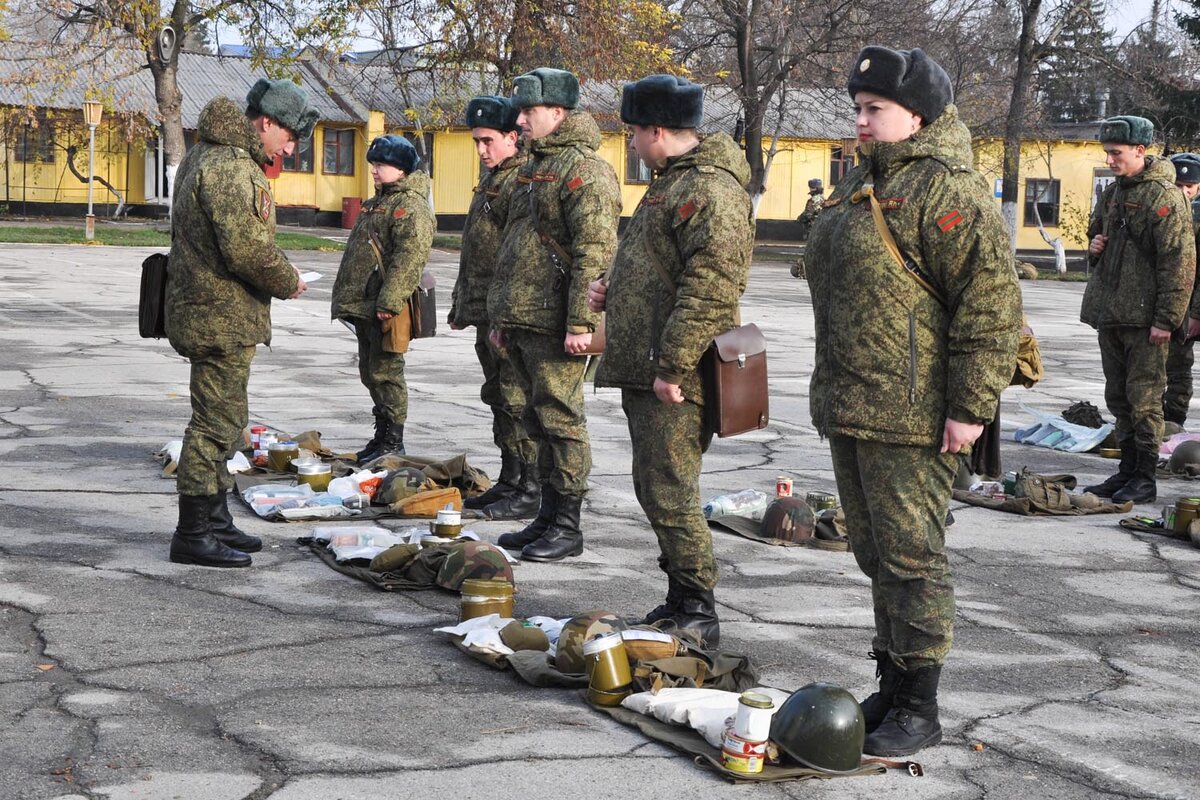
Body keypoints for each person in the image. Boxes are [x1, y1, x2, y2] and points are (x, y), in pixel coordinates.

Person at [805, 47, 1021, 756]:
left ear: (918, 115)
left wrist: (970, 406)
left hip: (918, 414)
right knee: (875, 553)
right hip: (856, 401)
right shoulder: (857, 185)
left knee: (913, 558)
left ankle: (921, 706)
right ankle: (894, 681)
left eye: (875, 110)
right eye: (858, 108)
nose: (860, 121)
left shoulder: (948, 191)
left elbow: (988, 310)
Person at [587, 75, 752, 648]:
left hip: (676, 373)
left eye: (633, 130)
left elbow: (709, 287)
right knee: (657, 485)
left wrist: (673, 367)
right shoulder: (671, 184)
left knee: (671, 486)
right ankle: (682, 597)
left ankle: (698, 608)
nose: (630, 141)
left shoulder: (707, 189)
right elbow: (662, 265)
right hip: (652, 364)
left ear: (658, 129)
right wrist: (615, 286)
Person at [165, 79, 319, 568]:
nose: (290, 148)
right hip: (219, 317)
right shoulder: (232, 166)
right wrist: (288, 279)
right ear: (266, 123)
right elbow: (247, 250)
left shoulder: (205, 153)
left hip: (211, 311)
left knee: (226, 419)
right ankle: (192, 532)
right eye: (290, 137)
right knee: (213, 425)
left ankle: (213, 517)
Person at [488, 68, 621, 562]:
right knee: (537, 419)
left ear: (559, 113)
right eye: (520, 112)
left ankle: (568, 524)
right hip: (523, 316)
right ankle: (545, 515)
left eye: (529, 112)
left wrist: (581, 323)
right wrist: (500, 314)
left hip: (555, 322)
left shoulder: (585, 169)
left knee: (562, 420)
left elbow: (595, 251)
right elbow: (512, 245)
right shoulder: (530, 167)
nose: (520, 120)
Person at [1082, 117, 1197, 504]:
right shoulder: (1113, 193)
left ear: (1140, 151)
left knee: (1145, 399)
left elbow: (1179, 263)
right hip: (1111, 312)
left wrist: (1167, 320)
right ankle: (1126, 470)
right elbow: (1095, 237)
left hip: (1146, 319)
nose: (1110, 159)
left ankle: (1144, 477)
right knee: (1118, 397)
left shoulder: (1164, 197)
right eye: (1107, 153)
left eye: (1116, 153)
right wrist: (1094, 245)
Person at [448, 96, 540, 520]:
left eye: (488, 141)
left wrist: (503, 313)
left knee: (516, 397)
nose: (482, 150)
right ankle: (510, 476)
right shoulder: (493, 179)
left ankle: (530, 484)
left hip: (506, 312)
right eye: (476, 142)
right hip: (486, 310)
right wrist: (462, 304)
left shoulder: (519, 180)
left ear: (512, 138)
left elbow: (517, 255)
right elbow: (477, 251)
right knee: (498, 396)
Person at [331, 135, 435, 462]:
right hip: (367, 304)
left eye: (381, 165)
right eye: (373, 165)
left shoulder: (410, 205)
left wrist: (389, 302)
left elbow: (410, 257)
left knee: (387, 371)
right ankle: (382, 435)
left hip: (386, 306)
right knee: (370, 371)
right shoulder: (381, 201)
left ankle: (394, 440)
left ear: (402, 169)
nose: (374, 171)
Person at [1162, 152, 1200, 431]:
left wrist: (1196, 312)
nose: (1184, 191)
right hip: (1165, 300)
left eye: (1190, 186)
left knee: (1179, 366)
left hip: (1190, 304)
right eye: (1179, 185)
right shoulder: (1161, 211)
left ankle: (1174, 420)